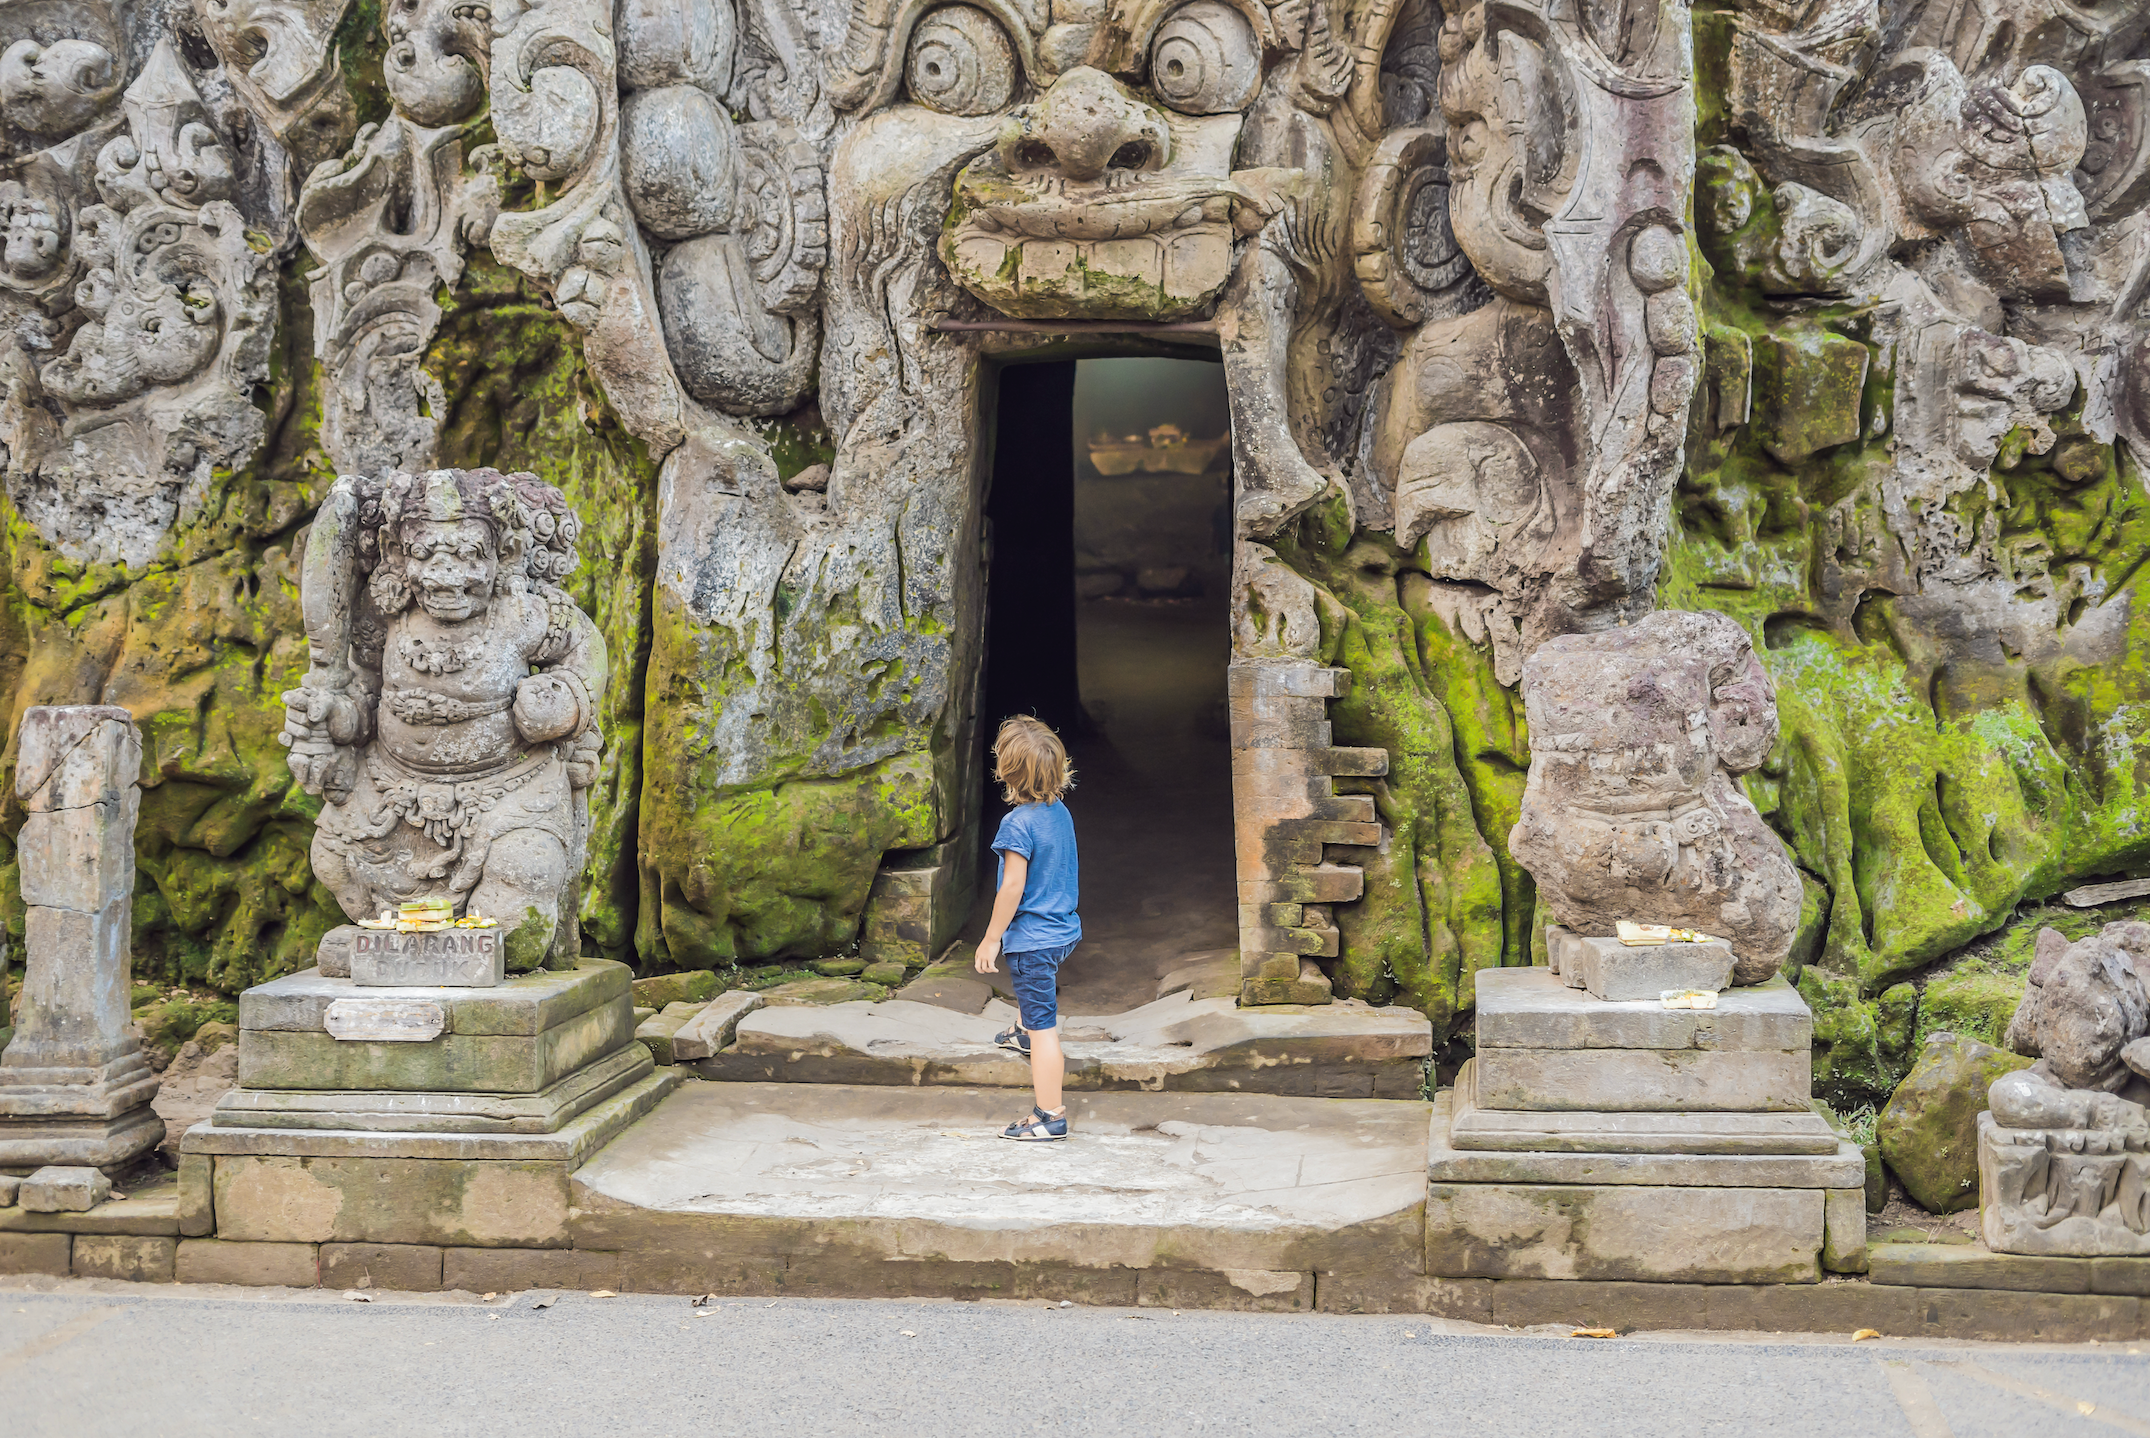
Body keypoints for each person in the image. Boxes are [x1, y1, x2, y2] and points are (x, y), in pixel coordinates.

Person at [974, 715, 1081, 1141]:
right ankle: (1021, 1029)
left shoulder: (1016, 824)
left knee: (1045, 1030)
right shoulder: (1059, 812)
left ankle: (1049, 1115)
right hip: (1064, 930)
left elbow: (1013, 886)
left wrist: (991, 937)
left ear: (1005, 770)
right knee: (1035, 995)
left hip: (1034, 940)